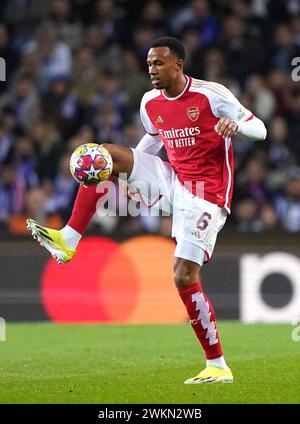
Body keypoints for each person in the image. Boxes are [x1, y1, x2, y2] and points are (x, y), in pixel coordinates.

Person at [27, 37, 267, 384]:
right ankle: (68, 238)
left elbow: (260, 128)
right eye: (149, 64)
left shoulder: (211, 95)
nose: (152, 70)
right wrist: (129, 172)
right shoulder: (150, 102)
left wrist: (237, 126)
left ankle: (217, 365)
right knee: (103, 156)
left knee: (183, 276)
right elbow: (153, 140)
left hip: (207, 196)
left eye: (158, 63)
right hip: (174, 180)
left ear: (178, 65)